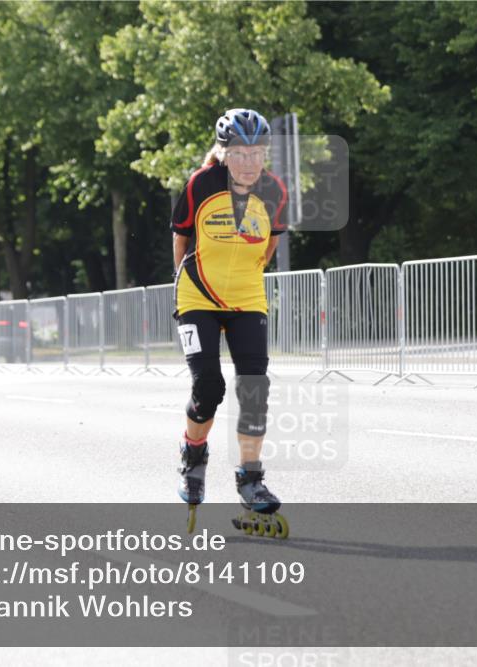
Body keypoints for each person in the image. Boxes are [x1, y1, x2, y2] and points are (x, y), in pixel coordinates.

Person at [170, 108, 288, 535]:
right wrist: (186, 283)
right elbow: (181, 239)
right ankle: (193, 456)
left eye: (257, 153)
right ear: (224, 153)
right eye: (239, 153)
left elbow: (268, 248)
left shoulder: (275, 191)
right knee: (209, 387)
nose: (249, 162)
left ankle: (250, 479)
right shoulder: (200, 184)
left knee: (255, 388)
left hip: (246, 297)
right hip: (197, 294)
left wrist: (242, 279)